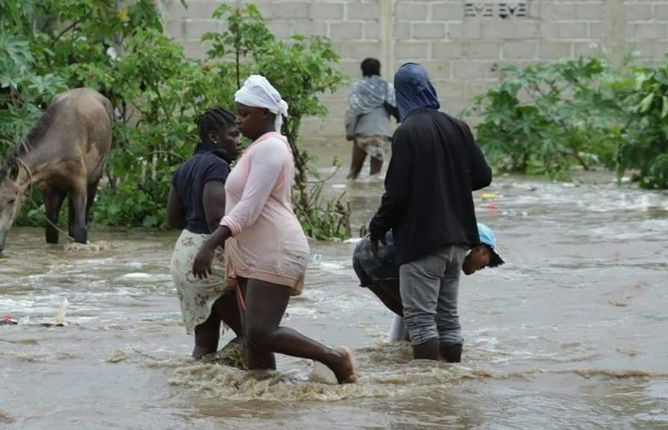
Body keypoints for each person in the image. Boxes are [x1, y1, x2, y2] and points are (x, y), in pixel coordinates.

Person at [192, 75, 357, 384]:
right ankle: (265, 404)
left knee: (260, 331)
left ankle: (335, 359)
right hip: (257, 254)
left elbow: (249, 208)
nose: (239, 121)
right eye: (238, 113)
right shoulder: (258, 149)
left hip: (275, 250)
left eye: (245, 114)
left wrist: (211, 243)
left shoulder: (271, 149)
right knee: (255, 339)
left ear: (266, 114)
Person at [368, 62, 493, 363]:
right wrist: (449, 184)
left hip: (422, 240)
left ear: (401, 96)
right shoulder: (458, 127)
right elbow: (482, 176)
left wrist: (377, 227)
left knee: (422, 321)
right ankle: (450, 383)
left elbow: (396, 194)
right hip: (458, 242)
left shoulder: (407, 132)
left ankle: (427, 391)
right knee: (448, 317)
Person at [166, 108, 244, 359]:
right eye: (233, 134)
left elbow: (172, 219)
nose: (239, 140)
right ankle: (223, 377)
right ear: (214, 137)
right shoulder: (217, 166)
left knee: (205, 343)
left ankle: (202, 391)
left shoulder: (185, 167)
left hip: (184, 255)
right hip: (207, 259)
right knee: (254, 334)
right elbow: (215, 220)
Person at [353, 223, 505, 342]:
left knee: (412, 312)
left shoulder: (446, 241)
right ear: (480, 250)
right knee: (429, 315)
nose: (485, 266)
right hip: (385, 253)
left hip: (363, 253)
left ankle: (400, 355)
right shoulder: (449, 252)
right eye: (488, 259)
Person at [344, 58, 400, 181]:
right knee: (376, 175)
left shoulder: (358, 87)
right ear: (379, 69)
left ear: (362, 70)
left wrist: (349, 133)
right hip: (381, 134)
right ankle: (374, 199)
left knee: (353, 172)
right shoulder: (388, 87)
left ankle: (349, 197)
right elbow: (396, 107)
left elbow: (352, 111)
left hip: (362, 133)